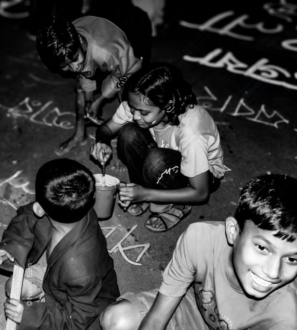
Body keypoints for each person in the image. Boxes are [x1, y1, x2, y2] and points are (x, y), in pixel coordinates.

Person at [99, 174, 297, 330]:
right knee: (117, 320)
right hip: (193, 312)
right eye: (262, 248)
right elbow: (158, 318)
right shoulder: (200, 238)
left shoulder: (288, 315)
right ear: (233, 232)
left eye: (292, 259)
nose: (273, 272)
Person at [91, 62, 229, 232]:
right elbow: (105, 129)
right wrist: (102, 142)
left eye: (143, 112)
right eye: (133, 109)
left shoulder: (191, 132)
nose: (135, 115)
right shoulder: (140, 103)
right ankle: (143, 189)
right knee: (128, 133)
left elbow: (201, 193)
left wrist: (146, 194)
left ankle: (176, 205)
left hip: (201, 176)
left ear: (168, 105)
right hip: (165, 154)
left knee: (156, 161)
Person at [0, 158, 120, 329]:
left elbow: (78, 319)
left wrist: (32, 315)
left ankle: (43, 304)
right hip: (59, 282)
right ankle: (43, 298)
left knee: (22, 320)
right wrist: (9, 247)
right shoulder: (78, 204)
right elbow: (27, 216)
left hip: (86, 307)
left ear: (40, 209)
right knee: (12, 287)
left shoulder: (80, 269)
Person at [36, 14, 150, 156]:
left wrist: (100, 99)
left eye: (74, 59)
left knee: (128, 93)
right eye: (65, 66)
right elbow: (83, 73)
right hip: (101, 42)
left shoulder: (105, 51)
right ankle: (79, 135)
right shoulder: (65, 45)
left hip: (134, 34)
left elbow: (127, 71)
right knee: (80, 89)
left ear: (80, 42)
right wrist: (89, 99)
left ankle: (127, 144)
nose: (73, 68)